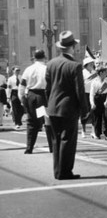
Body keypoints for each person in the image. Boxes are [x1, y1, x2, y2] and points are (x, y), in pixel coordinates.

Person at [45, 31, 88, 180]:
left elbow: (48, 88)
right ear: (73, 47)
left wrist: (49, 103)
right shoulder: (75, 65)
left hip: (53, 107)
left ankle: (58, 171)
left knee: (56, 140)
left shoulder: (51, 63)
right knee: (68, 141)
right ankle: (65, 171)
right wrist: (85, 111)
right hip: (68, 108)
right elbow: (79, 91)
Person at [19, 49, 51, 154]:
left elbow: (22, 85)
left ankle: (29, 148)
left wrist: (22, 98)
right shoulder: (46, 68)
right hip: (43, 96)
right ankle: (52, 147)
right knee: (47, 121)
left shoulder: (28, 69)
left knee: (31, 122)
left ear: (34, 57)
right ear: (44, 57)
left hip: (31, 96)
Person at [89, 66, 107, 140]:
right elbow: (91, 93)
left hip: (105, 98)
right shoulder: (94, 81)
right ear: (101, 73)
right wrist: (92, 103)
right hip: (97, 98)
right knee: (97, 117)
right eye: (105, 72)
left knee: (106, 116)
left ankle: (106, 134)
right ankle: (97, 133)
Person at [81, 57, 96, 137]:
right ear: (86, 65)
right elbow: (82, 83)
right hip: (85, 94)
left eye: (92, 63)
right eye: (90, 64)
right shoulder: (82, 73)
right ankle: (83, 130)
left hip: (93, 94)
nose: (92, 65)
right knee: (84, 112)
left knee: (93, 112)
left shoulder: (95, 72)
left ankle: (93, 131)